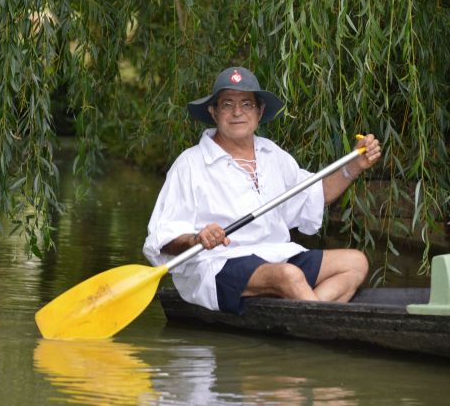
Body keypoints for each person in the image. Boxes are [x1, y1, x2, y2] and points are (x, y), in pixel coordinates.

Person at [142, 67, 382, 314]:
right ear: (214, 112)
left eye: (246, 104)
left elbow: (316, 195)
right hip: (218, 263)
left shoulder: (272, 154)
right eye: (227, 104)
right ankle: (319, 323)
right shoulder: (190, 163)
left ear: (260, 111)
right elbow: (163, 238)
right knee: (289, 276)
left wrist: (354, 166)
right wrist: (196, 238)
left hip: (276, 255)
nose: (237, 112)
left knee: (355, 262)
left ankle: (304, 314)